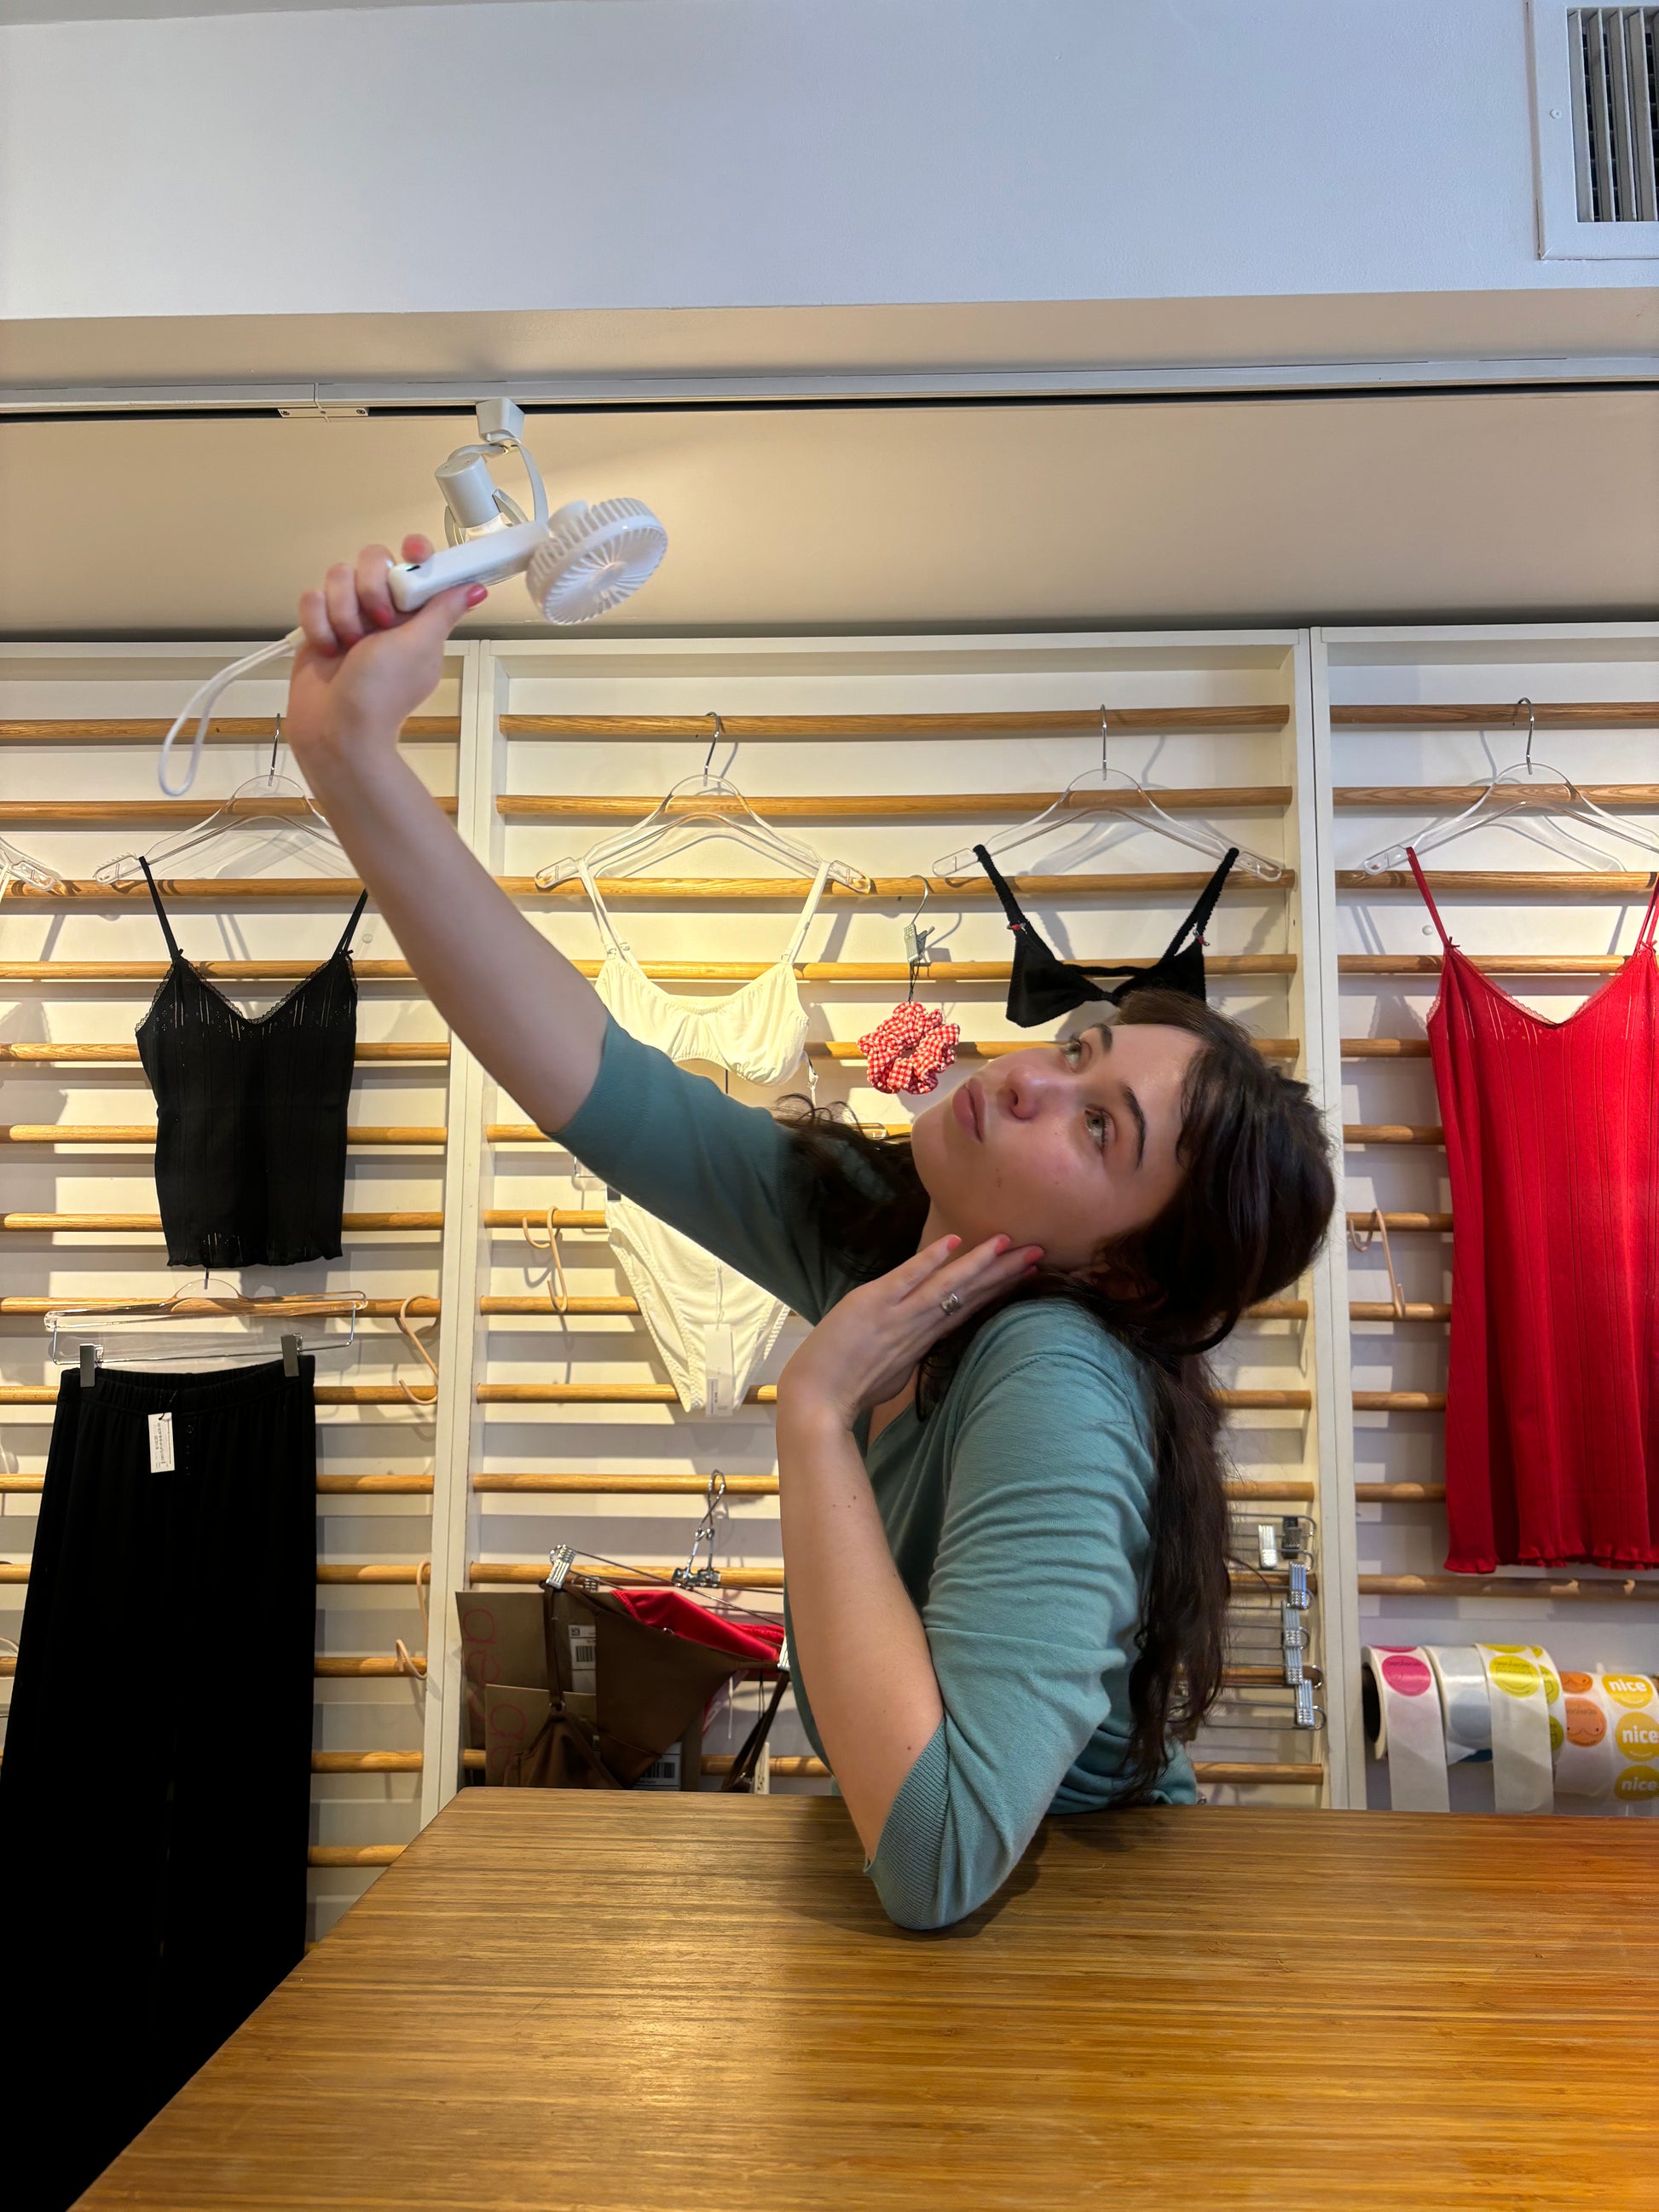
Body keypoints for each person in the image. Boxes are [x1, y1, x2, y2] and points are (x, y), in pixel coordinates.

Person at [284, 540, 1338, 1931]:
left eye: (1100, 1129)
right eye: (1078, 1051)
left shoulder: (1054, 1379)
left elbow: (941, 1862)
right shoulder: (897, 1240)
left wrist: (816, 1410)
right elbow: (600, 1086)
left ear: (1128, 1270)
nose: (1034, 1078)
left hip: (1080, 1953)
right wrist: (348, 757)